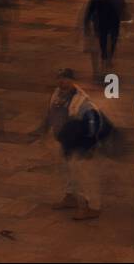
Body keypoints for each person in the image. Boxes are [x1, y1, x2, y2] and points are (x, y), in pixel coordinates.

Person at [39, 68, 109, 220]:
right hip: (64, 141)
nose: (62, 82)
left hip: (80, 143)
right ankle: (70, 197)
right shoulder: (57, 93)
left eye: (65, 79)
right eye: (60, 78)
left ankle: (93, 207)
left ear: (72, 80)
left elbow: (93, 120)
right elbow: (50, 113)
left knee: (86, 176)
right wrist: (44, 129)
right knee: (67, 171)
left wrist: (90, 143)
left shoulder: (82, 100)